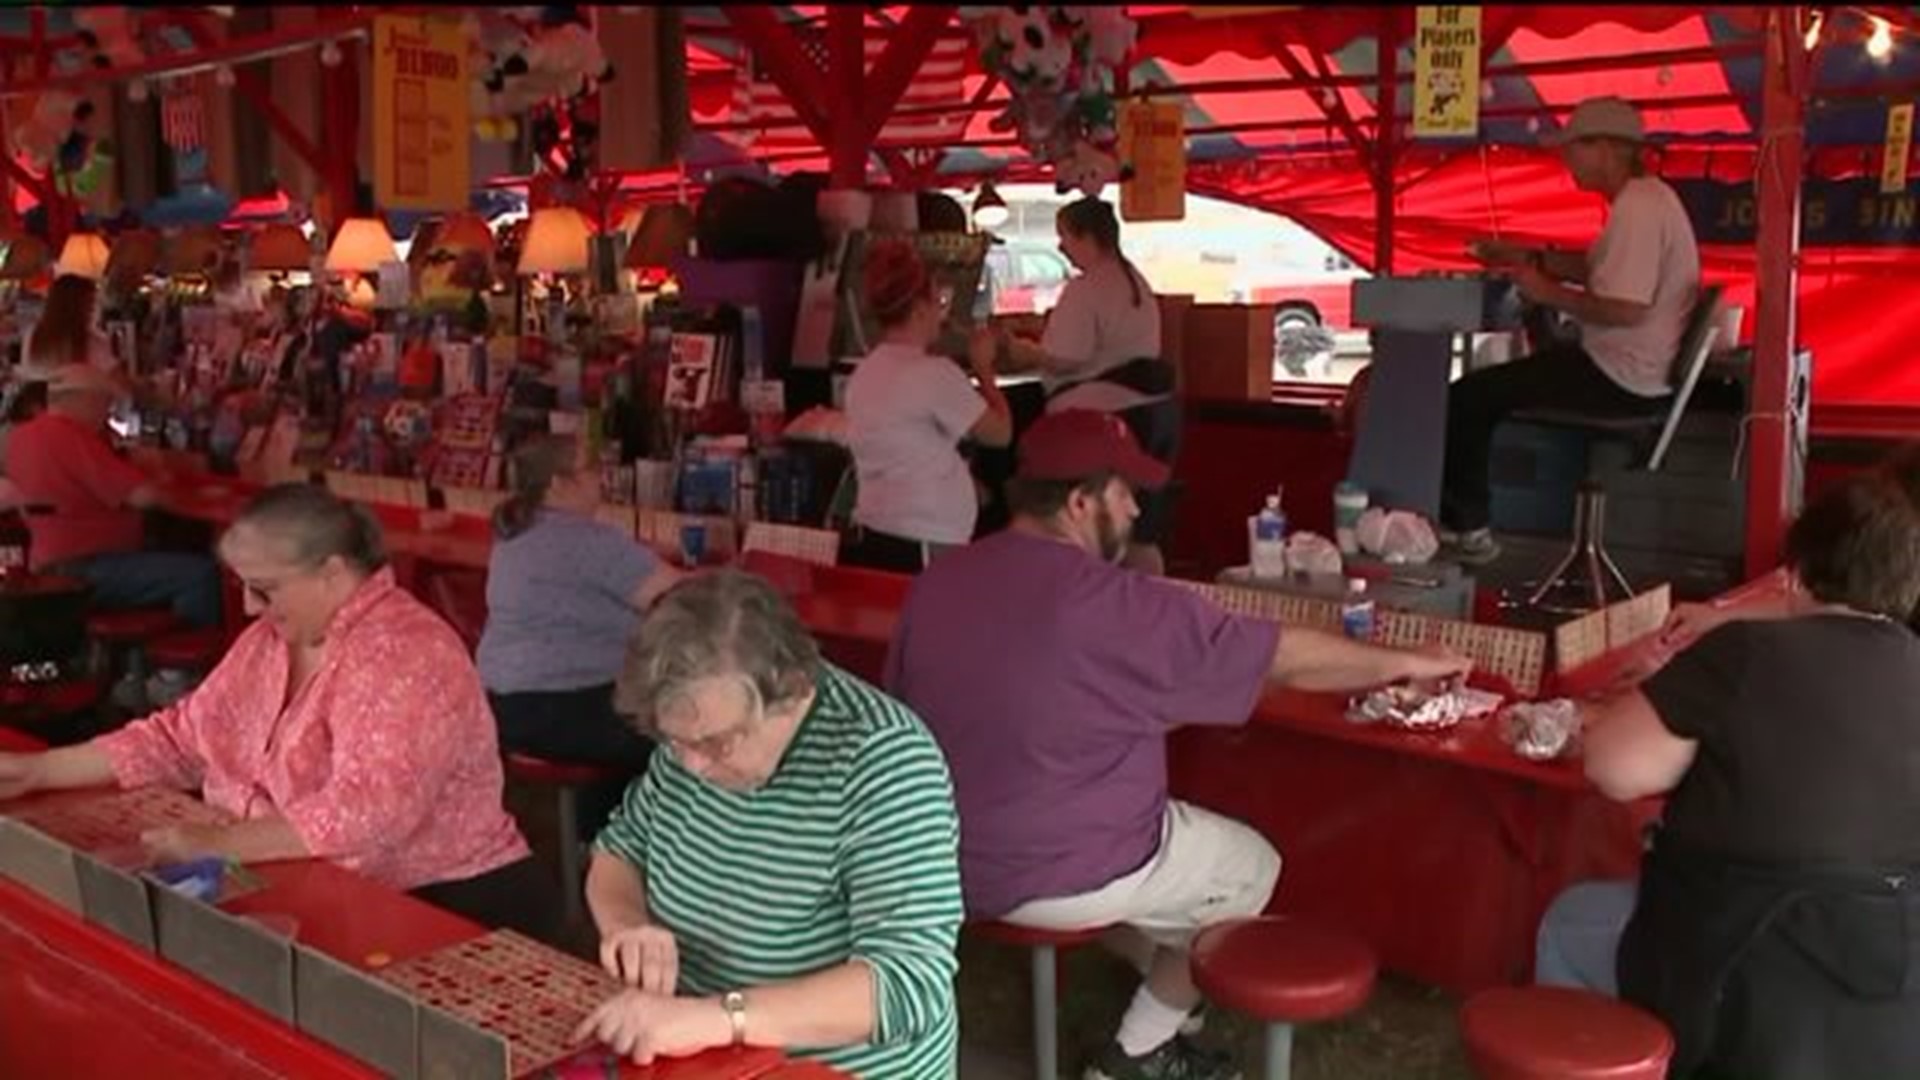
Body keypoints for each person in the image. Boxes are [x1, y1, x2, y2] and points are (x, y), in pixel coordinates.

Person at [884, 408, 1471, 1080]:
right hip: (1057, 869)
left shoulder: (940, 581)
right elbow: (1283, 660)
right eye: (1124, 492)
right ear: (1080, 502)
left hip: (939, 861)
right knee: (1249, 868)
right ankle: (1137, 1053)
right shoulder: (1116, 603)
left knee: (1141, 885)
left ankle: (1172, 984)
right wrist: (1405, 662)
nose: (1136, 508)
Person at [0, 484, 558, 938]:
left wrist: (219, 844)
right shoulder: (270, 642)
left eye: (264, 590)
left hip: (446, 905)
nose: (248, 607)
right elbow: (180, 738)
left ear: (333, 574)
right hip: (315, 884)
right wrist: (39, 770)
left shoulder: (407, 654)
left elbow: (370, 813)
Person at [1535, 470, 1920, 1078]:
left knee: (1569, 922)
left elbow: (1613, 768)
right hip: (1886, 988)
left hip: (1729, 971)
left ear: (1793, 576)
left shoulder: (1743, 655)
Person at [576, 570, 962, 1077]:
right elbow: (619, 850)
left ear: (795, 688)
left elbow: (905, 986)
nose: (692, 766)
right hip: (702, 1050)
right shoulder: (697, 731)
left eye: (717, 743)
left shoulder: (884, 760)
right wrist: (630, 927)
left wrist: (714, 1018)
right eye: (676, 743)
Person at [1443, 95, 1702, 563]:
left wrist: (1545, 292)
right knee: (1493, 387)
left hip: (1619, 377)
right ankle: (1464, 523)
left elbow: (1625, 308)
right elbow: (1597, 270)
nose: (1566, 160)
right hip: (1631, 371)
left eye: (1572, 149)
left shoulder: (1638, 208)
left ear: (1605, 148)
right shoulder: (1649, 199)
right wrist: (1529, 258)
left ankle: (1468, 529)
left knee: (1468, 398)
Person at [478, 436, 683, 837]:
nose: (600, 479)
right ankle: (645, 857)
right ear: (558, 484)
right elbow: (677, 598)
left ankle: (599, 843)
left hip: (503, 709)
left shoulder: (513, 534)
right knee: (689, 738)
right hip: (567, 710)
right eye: (590, 469)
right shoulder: (588, 539)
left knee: (638, 723)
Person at [1001, 198, 1178, 575]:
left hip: (1104, 422)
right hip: (1154, 413)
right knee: (1141, 533)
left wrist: (1023, 351)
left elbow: (1066, 356)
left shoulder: (1087, 288)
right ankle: (1146, 607)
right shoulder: (1133, 280)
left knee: (1102, 531)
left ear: (1086, 236)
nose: (1061, 246)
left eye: (1064, 236)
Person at [5, 362, 223, 628]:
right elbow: (143, 496)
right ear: (85, 399)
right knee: (200, 575)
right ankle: (189, 666)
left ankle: (143, 656)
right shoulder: (70, 436)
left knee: (171, 553)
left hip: (51, 560)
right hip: (84, 564)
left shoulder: (22, 436)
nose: (106, 413)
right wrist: (205, 503)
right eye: (104, 403)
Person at [841, 237, 1012, 573]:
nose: (942, 313)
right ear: (919, 310)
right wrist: (985, 369)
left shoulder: (867, 371)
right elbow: (1000, 433)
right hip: (926, 533)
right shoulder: (933, 373)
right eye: (939, 301)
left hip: (882, 524)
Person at [19, 274, 130, 388]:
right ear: (82, 307)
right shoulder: (92, 341)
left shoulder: (33, 336)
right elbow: (122, 385)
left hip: (40, 403)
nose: (94, 309)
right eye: (91, 303)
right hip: (80, 404)